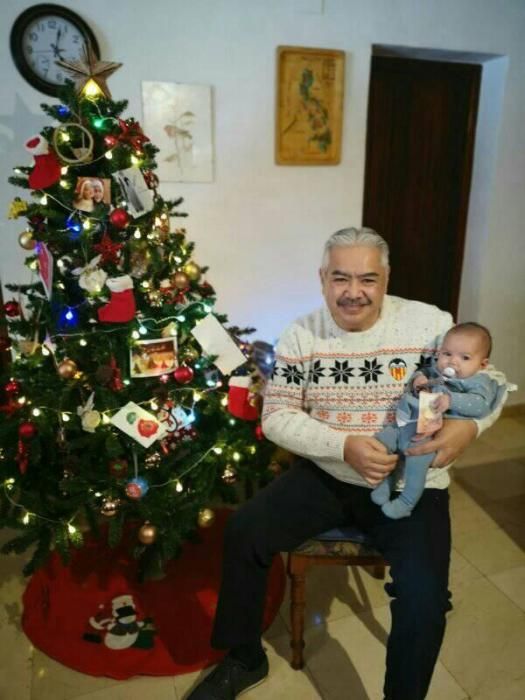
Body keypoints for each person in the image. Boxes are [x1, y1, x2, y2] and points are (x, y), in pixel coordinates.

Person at [186, 228, 507, 700]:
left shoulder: (429, 323)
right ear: (322, 279)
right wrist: (344, 446)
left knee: (424, 601)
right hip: (328, 475)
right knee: (244, 531)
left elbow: (493, 378)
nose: (353, 292)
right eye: (340, 278)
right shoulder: (301, 335)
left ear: (386, 279)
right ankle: (243, 658)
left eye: (368, 279)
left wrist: (471, 428)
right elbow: (276, 416)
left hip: (410, 481)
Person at [372, 322, 499, 519]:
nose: (452, 362)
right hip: (407, 423)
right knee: (382, 440)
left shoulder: (477, 382)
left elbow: (481, 405)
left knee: (416, 463)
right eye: (447, 354)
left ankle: (406, 502)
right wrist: (418, 379)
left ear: (482, 364)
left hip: (432, 435)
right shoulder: (435, 372)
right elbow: (423, 374)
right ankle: (385, 482)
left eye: (464, 358)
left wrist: (451, 400)